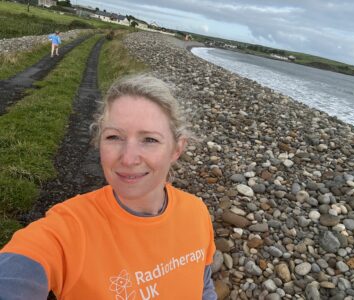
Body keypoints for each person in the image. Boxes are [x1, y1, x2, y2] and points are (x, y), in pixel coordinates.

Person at [0, 75, 217, 299]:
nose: (128, 158)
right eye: (114, 137)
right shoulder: (69, 228)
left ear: (176, 149)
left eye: (149, 140)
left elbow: (203, 283)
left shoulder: (196, 213)